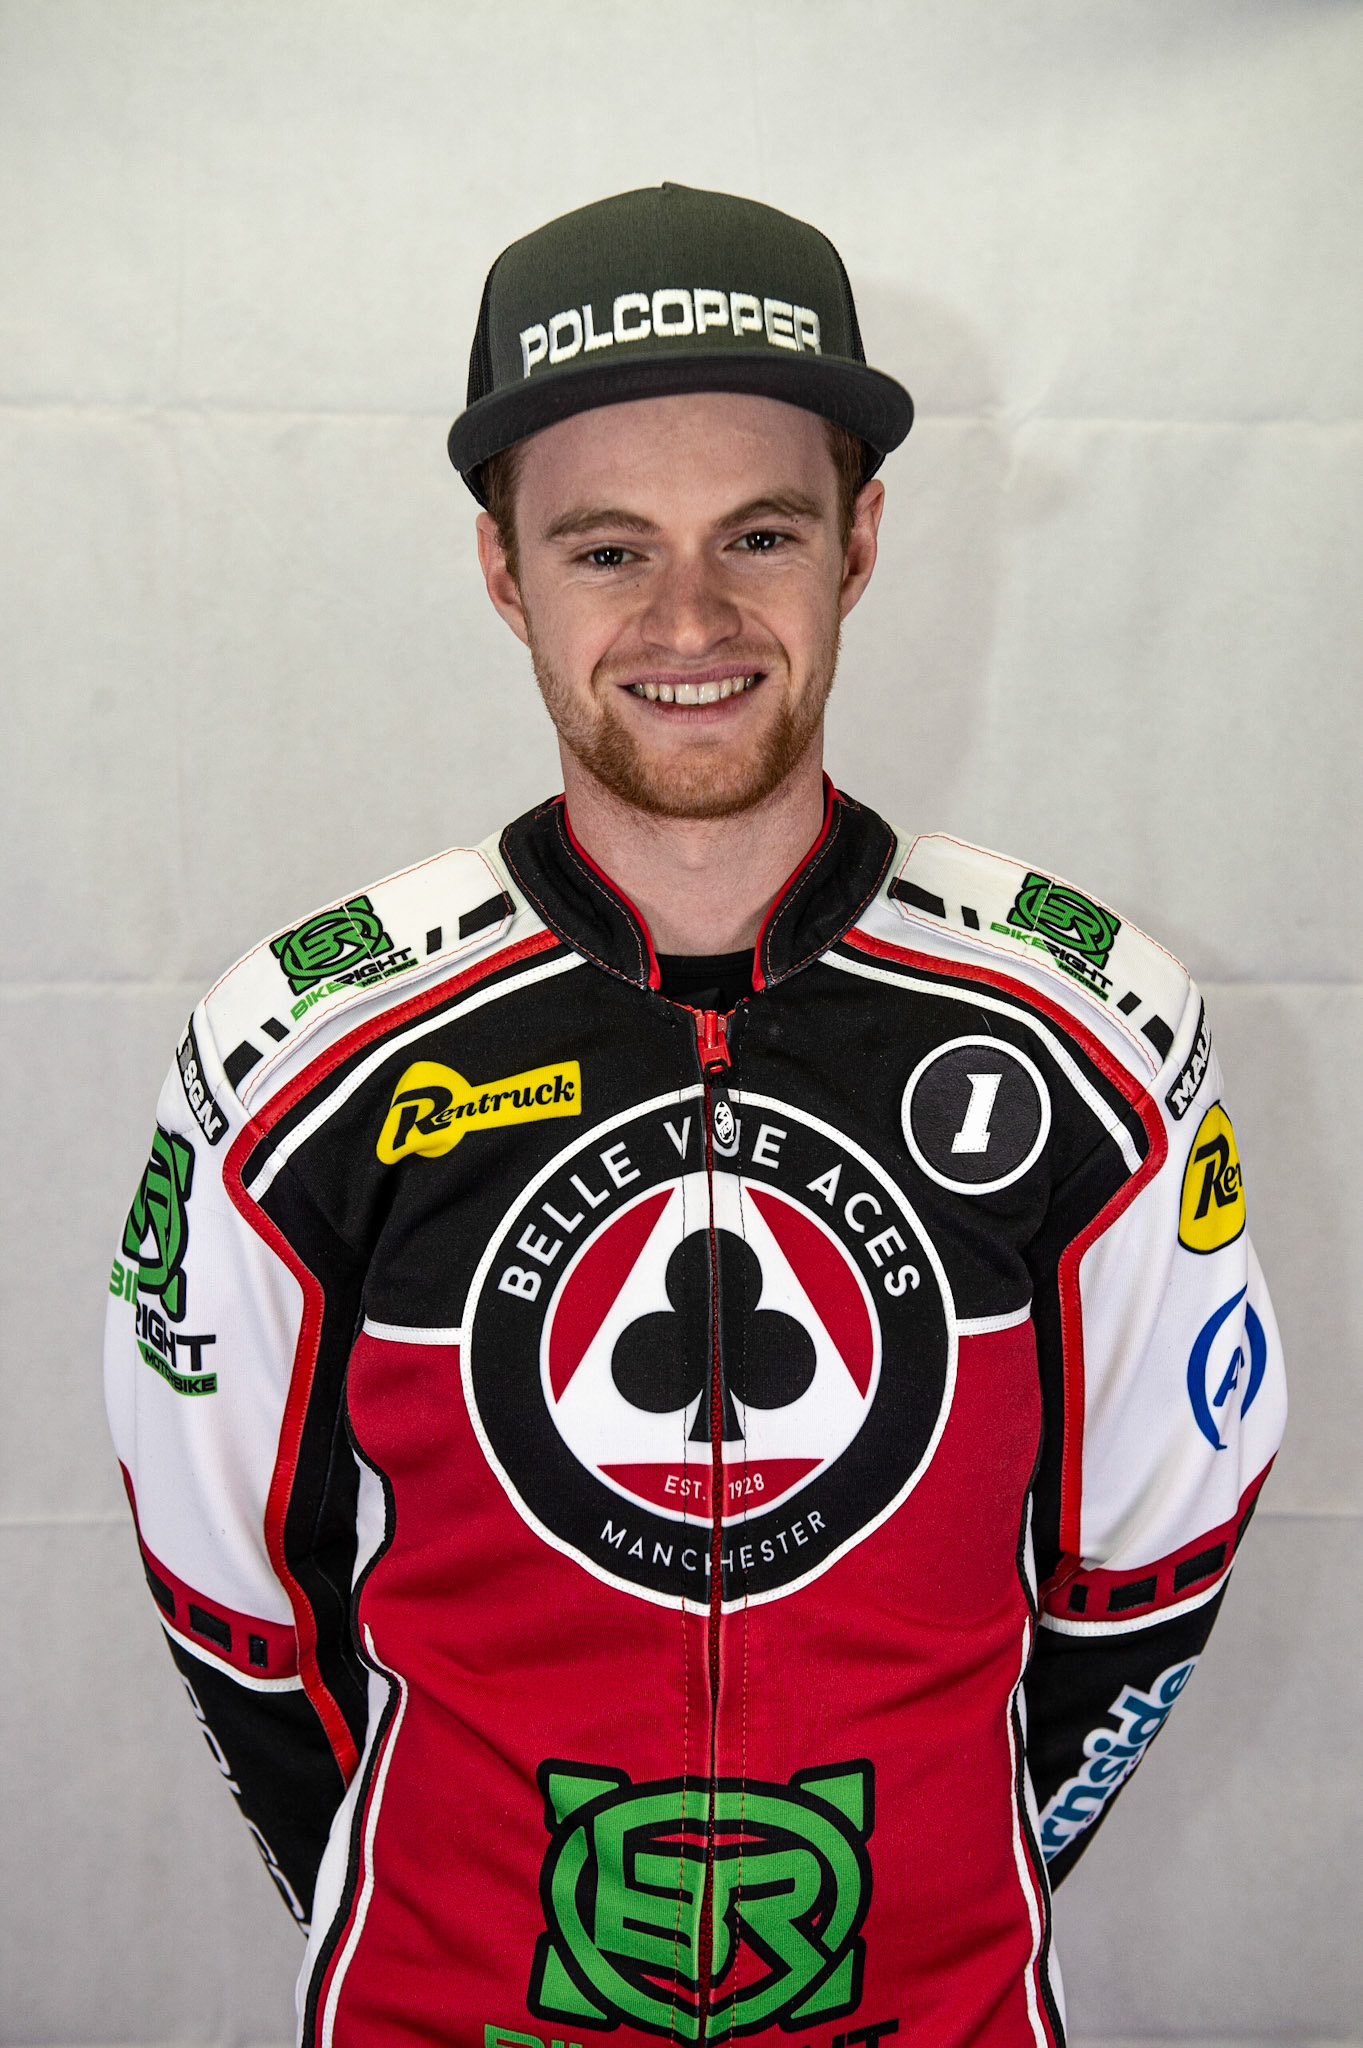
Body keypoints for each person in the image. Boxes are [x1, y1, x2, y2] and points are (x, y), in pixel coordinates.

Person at [105, 183, 1285, 2048]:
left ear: (860, 542)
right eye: (606, 549)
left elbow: (1155, 1552)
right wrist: (418, 1898)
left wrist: (947, 1880)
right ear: (503, 572)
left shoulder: (1094, 1029)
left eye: (760, 533)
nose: (689, 618)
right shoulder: (298, 1055)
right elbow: (229, 1591)